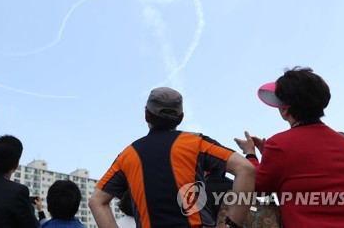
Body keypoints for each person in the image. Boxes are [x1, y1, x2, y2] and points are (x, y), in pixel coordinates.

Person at [89, 87, 255, 228]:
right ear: (180, 118)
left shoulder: (128, 154)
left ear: (146, 115)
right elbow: (246, 169)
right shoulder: (196, 143)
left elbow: (96, 201)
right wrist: (231, 225)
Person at [235, 67, 344, 228]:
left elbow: (257, 188)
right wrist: (268, 153)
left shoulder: (280, 144)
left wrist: (250, 154)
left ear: (285, 109)